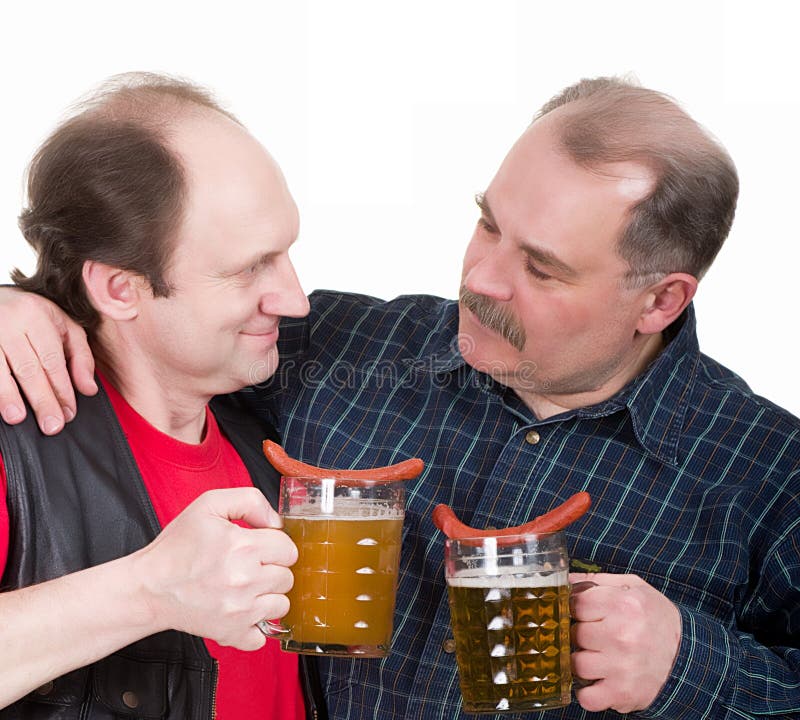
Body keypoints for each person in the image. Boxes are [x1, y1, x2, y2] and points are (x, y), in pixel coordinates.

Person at [2, 76, 798, 719]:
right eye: (488, 225)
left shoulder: (771, 478)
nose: (479, 280)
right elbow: (154, 312)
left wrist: (693, 667)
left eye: (543, 269)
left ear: (660, 302)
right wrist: (23, 303)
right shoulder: (339, 352)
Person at [0, 73, 326, 719]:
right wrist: (149, 591)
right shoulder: (13, 438)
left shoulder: (273, 428)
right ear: (121, 290)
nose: (295, 300)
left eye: (286, 252)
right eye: (246, 269)